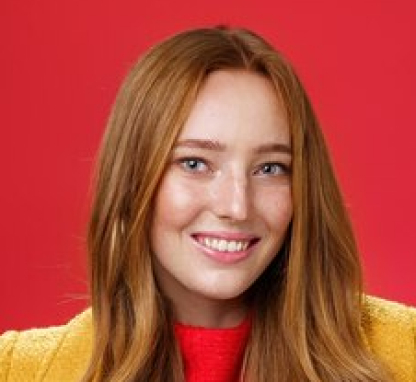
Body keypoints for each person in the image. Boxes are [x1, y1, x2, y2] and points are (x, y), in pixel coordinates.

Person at [1, 26, 415, 382]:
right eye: (195, 163)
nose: (237, 206)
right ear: (131, 179)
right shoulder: (17, 369)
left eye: (270, 168)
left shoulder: (405, 352)